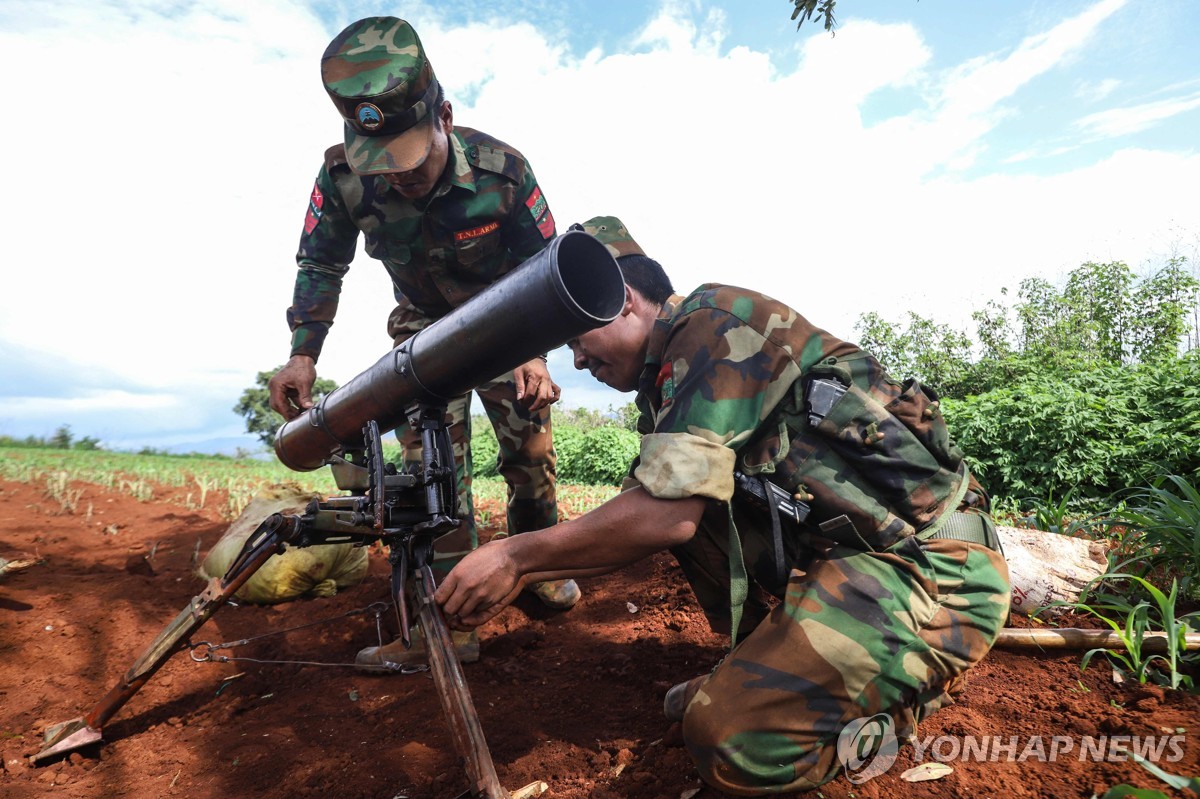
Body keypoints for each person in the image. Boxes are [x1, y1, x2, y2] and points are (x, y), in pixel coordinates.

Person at [434, 217, 1012, 793]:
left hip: (936, 572)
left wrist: (515, 557)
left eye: (578, 340)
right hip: (858, 560)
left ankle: (886, 701)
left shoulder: (716, 325)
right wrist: (524, 566)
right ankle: (771, 669)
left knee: (729, 740)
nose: (578, 362)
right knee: (687, 499)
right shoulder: (670, 376)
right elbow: (658, 514)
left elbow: (664, 515)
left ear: (627, 301)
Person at [266, 17, 581, 670]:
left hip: (507, 325)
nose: (399, 180)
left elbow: (546, 263)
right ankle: (448, 623)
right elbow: (321, 262)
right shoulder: (343, 177)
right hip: (423, 333)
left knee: (529, 450)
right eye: (383, 163)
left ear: (444, 114)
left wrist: (535, 351)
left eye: (411, 158)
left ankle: (538, 564)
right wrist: (303, 351)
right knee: (432, 479)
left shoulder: (504, 172)